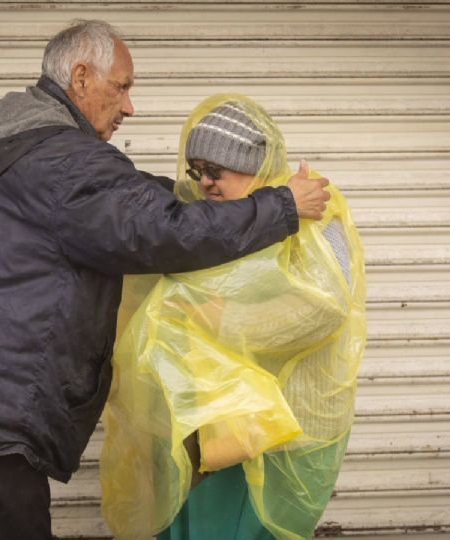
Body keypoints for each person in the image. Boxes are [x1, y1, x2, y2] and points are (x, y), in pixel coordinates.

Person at [0, 20, 331, 540]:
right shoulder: (62, 162)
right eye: (122, 86)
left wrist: (207, 196)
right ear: (81, 78)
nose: (130, 106)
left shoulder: (34, 146)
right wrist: (282, 205)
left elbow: (128, 197)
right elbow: (160, 231)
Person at [99, 94, 367, 540]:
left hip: (280, 430)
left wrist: (223, 318)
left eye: (215, 171)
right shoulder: (211, 222)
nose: (204, 183)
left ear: (251, 163)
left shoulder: (316, 215)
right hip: (211, 429)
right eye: (197, 172)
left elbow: (325, 306)